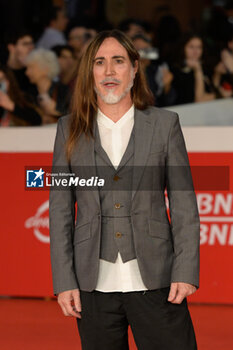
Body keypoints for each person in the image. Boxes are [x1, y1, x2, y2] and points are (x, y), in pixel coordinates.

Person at [49, 29, 200, 350]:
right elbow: (60, 208)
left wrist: (185, 271)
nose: (108, 71)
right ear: (89, 72)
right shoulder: (68, 127)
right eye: (99, 62)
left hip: (157, 281)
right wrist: (63, 281)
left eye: (118, 61)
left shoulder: (165, 124)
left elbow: (184, 203)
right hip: (92, 287)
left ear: (134, 68)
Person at [171, 32, 216, 105]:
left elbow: (211, 91)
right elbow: (199, 100)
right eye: (191, 47)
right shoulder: (176, 71)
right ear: (183, 48)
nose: (195, 51)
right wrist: (197, 69)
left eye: (199, 47)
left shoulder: (205, 66)